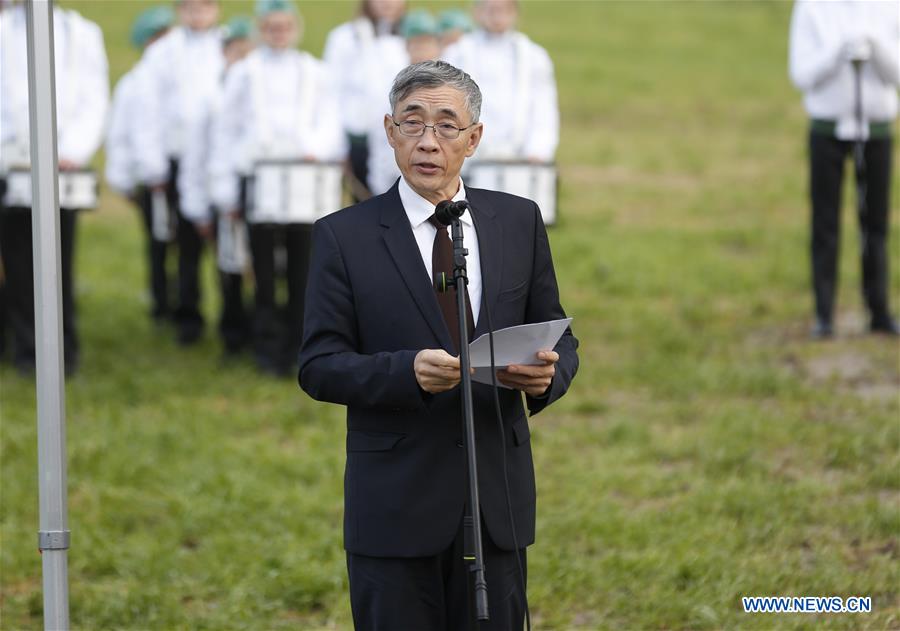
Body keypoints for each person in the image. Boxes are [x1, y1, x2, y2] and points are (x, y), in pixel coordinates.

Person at [298, 60, 578, 629]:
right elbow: (319, 365)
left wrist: (547, 375)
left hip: (495, 499)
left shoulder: (517, 221)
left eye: (446, 125)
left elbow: (560, 334)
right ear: (389, 131)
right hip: (394, 508)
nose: (428, 141)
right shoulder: (343, 236)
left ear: (473, 138)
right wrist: (407, 374)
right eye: (413, 123)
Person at [210, 0, 344, 376]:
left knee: (305, 273)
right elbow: (227, 130)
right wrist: (226, 182)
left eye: (285, 25)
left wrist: (313, 147)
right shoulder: (244, 74)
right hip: (262, 184)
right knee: (264, 273)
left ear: (296, 28)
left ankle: (301, 348)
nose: (279, 32)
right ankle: (267, 349)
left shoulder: (315, 72)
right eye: (271, 26)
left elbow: (331, 122)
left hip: (305, 186)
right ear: (260, 29)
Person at [0, 2, 109, 375]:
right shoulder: (3, 28)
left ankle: (63, 352)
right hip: (9, 163)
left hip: (63, 164)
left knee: (57, 261)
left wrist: (72, 149)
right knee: (15, 260)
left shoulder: (82, 32)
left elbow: (93, 97)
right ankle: (25, 350)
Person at [789, 0, 899, 338]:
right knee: (825, 223)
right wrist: (838, 51)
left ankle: (878, 310)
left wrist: (876, 47)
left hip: (876, 128)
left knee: (875, 224)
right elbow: (801, 74)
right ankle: (824, 315)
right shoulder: (811, 7)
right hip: (828, 128)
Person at [133, 0, 223, 346]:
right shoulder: (163, 53)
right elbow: (148, 109)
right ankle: (188, 316)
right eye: (189, 6)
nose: (197, 12)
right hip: (177, 155)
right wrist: (152, 162)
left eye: (205, 5)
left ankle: (234, 318)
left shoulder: (228, 44)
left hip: (219, 159)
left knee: (227, 239)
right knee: (184, 242)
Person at [178, 15, 255, 358]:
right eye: (234, 51)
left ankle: (263, 327)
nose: (241, 57)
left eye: (247, 50)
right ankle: (233, 332)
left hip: (258, 191)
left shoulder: (261, 95)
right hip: (222, 192)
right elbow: (196, 156)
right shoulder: (211, 98)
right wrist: (199, 201)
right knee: (229, 264)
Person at [106, 6, 175, 324]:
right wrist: (124, 179)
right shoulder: (133, 84)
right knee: (158, 242)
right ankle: (161, 304)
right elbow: (120, 134)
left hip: (183, 170)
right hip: (151, 178)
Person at [442, 0, 559, 165]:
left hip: (521, 158)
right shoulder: (457, 53)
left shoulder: (534, 56)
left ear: (515, 12)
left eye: (504, 9)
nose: (497, 15)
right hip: (469, 157)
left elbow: (543, 108)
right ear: (477, 11)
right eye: (491, 9)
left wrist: (538, 149)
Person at [322, 0, 406, 200]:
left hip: (403, 140)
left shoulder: (411, 36)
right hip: (359, 141)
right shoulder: (345, 38)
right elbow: (331, 94)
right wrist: (337, 147)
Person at [365, 9, 442, 196]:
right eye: (417, 43)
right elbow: (380, 138)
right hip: (398, 181)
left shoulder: (453, 87)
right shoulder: (392, 87)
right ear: (406, 46)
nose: (423, 50)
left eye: (428, 42)